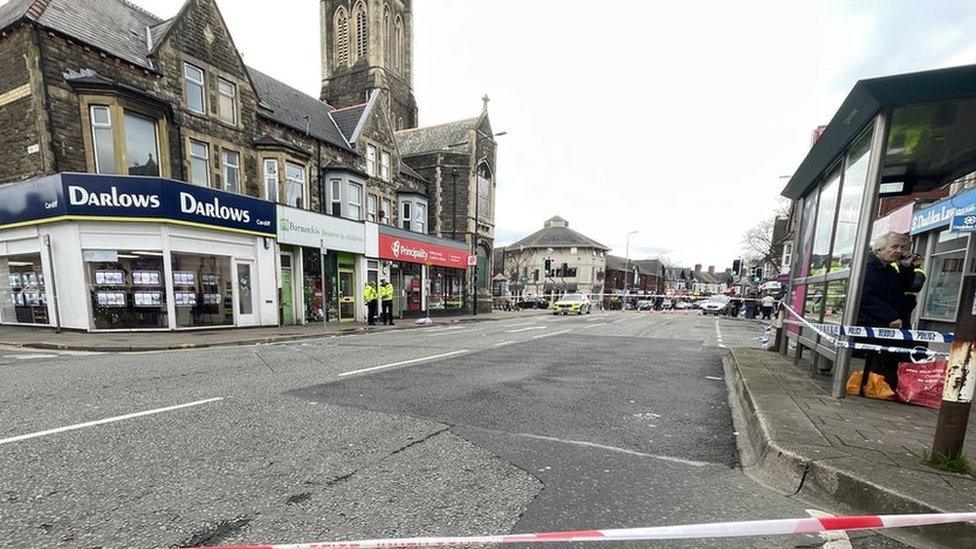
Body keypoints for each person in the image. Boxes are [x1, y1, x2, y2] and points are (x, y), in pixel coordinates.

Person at [857, 232, 922, 392]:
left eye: (901, 247)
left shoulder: (889, 269)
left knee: (909, 348)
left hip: (890, 320)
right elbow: (865, 297)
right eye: (894, 247)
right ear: (879, 249)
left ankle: (890, 386)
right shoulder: (870, 268)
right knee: (892, 351)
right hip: (873, 320)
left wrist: (907, 268)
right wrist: (890, 316)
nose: (899, 251)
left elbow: (903, 288)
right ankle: (881, 386)